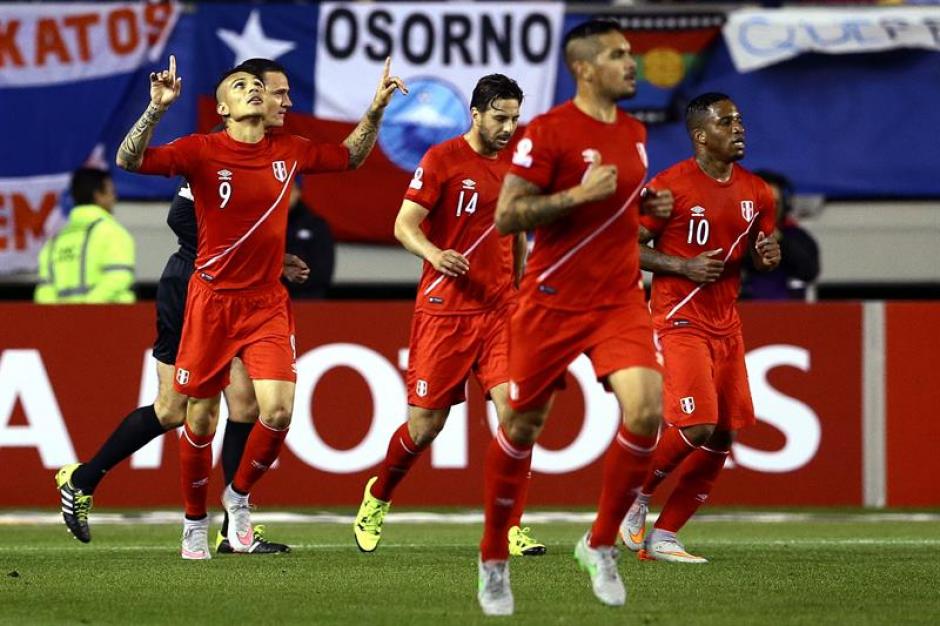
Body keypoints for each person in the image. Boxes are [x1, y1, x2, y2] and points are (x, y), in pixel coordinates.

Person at [111, 55, 405, 560]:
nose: (253, 91)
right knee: (198, 420)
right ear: (223, 107)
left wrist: (375, 109)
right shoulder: (200, 151)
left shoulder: (289, 150)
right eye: (240, 85)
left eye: (257, 86)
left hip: (266, 302)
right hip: (210, 303)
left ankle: (239, 497)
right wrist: (156, 109)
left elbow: (350, 157)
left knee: (278, 409)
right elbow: (129, 161)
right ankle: (193, 521)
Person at [53, 59, 310, 555]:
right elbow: (180, 216)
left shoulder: (276, 152)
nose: (286, 102)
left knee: (250, 404)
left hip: (244, 297)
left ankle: (235, 527)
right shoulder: (218, 147)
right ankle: (83, 480)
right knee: (175, 410)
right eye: (277, 92)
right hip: (193, 287)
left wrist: (270, 261)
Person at [478, 20, 674, 616]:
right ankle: (492, 557)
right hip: (552, 301)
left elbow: (614, 200)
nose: (632, 64)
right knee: (522, 428)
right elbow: (509, 216)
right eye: (618, 55)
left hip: (618, 299)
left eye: (630, 53)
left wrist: (645, 203)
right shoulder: (548, 132)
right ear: (584, 68)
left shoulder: (637, 131)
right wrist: (577, 197)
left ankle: (600, 542)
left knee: (646, 409)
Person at [352, 74, 545, 558]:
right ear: (476, 114)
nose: (508, 127)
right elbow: (404, 225)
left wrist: (520, 290)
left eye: (515, 118)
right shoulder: (442, 159)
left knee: (517, 419)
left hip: (500, 311)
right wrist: (436, 255)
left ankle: (510, 527)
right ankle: (379, 494)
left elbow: (518, 232)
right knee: (425, 427)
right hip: (446, 312)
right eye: (500, 117)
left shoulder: (518, 170)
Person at [622, 92, 781, 563]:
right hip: (678, 316)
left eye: (740, 119)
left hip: (725, 321)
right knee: (698, 423)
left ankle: (666, 535)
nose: (739, 128)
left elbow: (761, 249)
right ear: (700, 135)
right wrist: (679, 265)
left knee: (724, 435)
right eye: (726, 122)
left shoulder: (758, 192)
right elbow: (624, 247)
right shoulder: (669, 188)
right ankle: (637, 491)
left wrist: (768, 258)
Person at [35, 168, 135, 304]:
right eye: (111, 192)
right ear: (98, 195)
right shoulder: (113, 233)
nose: (114, 197)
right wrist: (85, 312)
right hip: (110, 322)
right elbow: (119, 278)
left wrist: (64, 318)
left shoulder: (54, 241)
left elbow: (44, 292)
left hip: (63, 323)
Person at [742, 170, 820, 300]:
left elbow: (809, 271)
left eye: (775, 203)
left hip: (788, 315)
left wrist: (780, 240)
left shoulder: (797, 236)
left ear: (784, 205)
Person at [284, 180, 335, 299]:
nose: (285, 196)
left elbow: (322, 271)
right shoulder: (263, 225)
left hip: (307, 298)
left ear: (298, 192)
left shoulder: (315, 226)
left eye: (290, 190)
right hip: (271, 298)